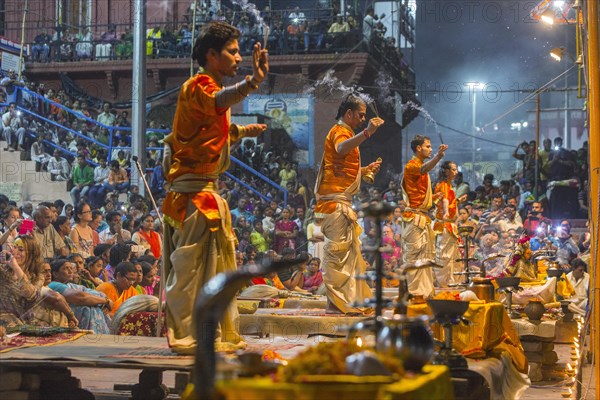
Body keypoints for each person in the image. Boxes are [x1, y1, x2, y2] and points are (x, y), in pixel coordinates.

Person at [161, 21, 268, 354]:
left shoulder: (210, 91)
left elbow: (208, 135)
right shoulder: (198, 87)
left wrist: (242, 131)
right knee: (191, 274)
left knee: (213, 272)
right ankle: (188, 335)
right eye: (232, 52)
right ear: (211, 54)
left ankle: (208, 333)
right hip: (194, 199)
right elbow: (217, 102)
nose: (238, 58)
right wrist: (251, 82)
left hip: (204, 194)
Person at [314, 93, 384, 314]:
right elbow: (341, 148)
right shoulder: (339, 132)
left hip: (341, 203)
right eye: (361, 115)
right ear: (349, 114)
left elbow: (341, 167)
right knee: (337, 255)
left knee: (348, 256)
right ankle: (335, 304)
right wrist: (368, 133)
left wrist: (364, 171)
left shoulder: (346, 133)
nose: (363, 119)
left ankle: (342, 302)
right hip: (334, 205)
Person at [401, 135, 448, 296]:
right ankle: (414, 294)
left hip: (423, 217)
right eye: (428, 146)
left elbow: (420, 194)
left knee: (426, 257)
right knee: (414, 257)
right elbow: (424, 169)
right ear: (418, 148)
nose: (431, 149)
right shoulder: (412, 165)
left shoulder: (420, 165)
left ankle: (425, 292)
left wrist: (432, 198)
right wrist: (439, 156)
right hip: (415, 218)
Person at [432, 161, 459, 287]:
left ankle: (449, 281)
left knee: (451, 255)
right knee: (444, 255)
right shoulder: (443, 185)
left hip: (450, 224)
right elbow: (445, 200)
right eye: (453, 169)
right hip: (444, 224)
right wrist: (447, 212)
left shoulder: (448, 185)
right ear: (446, 171)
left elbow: (450, 200)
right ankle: (443, 282)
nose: (456, 172)